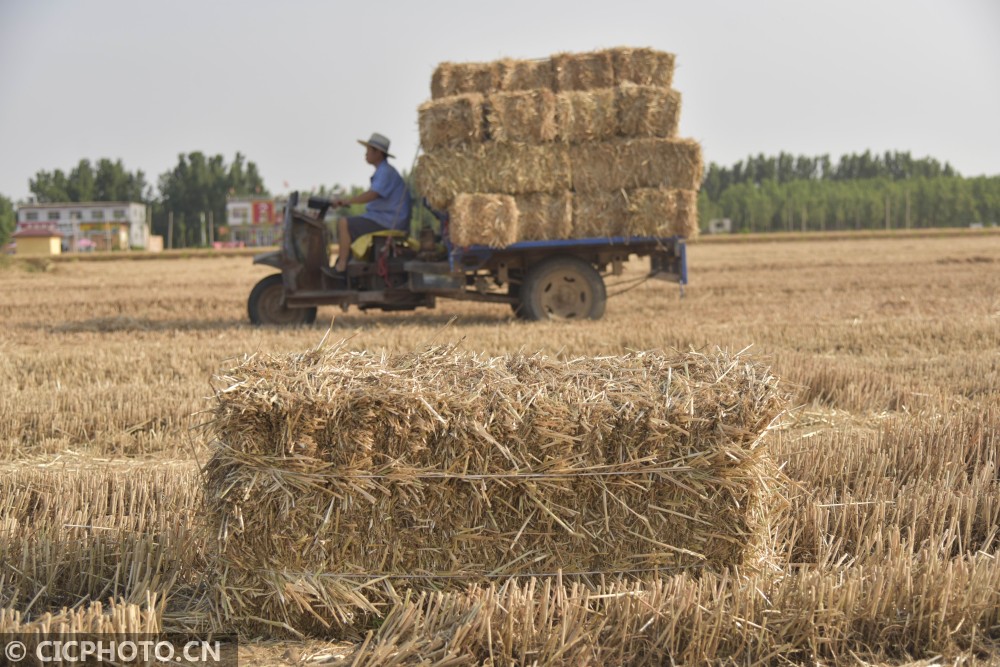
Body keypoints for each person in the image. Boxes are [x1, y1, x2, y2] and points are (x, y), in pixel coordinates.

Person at [331, 132, 412, 273]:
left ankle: (342, 265)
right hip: (385, 218)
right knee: (353, 224)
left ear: (378, 153)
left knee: (343, 223)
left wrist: (347, 201)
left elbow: (372, 194)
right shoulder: (384, 171)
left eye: (368, 150)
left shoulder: (385, 172)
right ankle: (348, 260)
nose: (366, 154)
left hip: (388, 220)